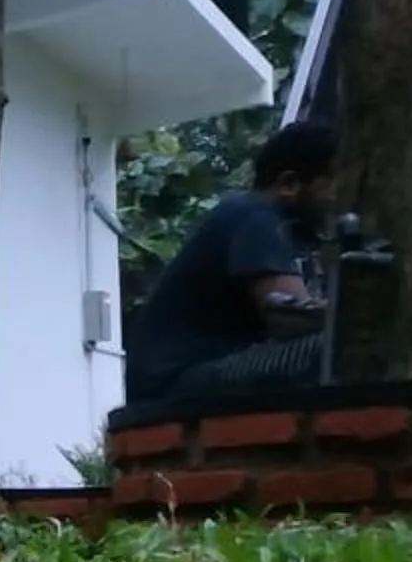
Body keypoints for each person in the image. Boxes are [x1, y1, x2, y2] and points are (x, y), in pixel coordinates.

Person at [124, 120, 339, 404]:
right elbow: (290, 317)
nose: (342, 197)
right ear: (289, 183)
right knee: (336, 347)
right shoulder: (257, 217)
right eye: (336, 183)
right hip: (177, 384)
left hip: (182, 381)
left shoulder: (277, 225)